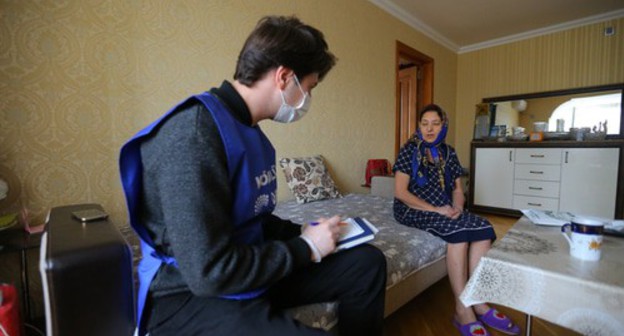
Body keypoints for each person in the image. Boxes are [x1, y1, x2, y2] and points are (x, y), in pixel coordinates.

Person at [119, 15, 386, 336]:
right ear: (285, 77)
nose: (308, 100)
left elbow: (252, 216)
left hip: (245, 268)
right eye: (310, 87)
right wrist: (306, 248)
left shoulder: (250, 132)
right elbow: (208, 272)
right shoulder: (194, 134)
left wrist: (301, 230)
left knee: (367, 264)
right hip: (190, 292)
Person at [392, 104, 520, 336]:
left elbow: (458, 189)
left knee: (483, 227)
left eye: (435, 123)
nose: (429, 129)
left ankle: (478, 300)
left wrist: (457, 208)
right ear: (419, 126)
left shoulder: (448, 152)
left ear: (443, 125)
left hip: (445, 206)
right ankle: (462, 309)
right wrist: (436, 210)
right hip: (413, 208)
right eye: (424, 123)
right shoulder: (409, 150)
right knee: (458, 235)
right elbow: (400, 193)